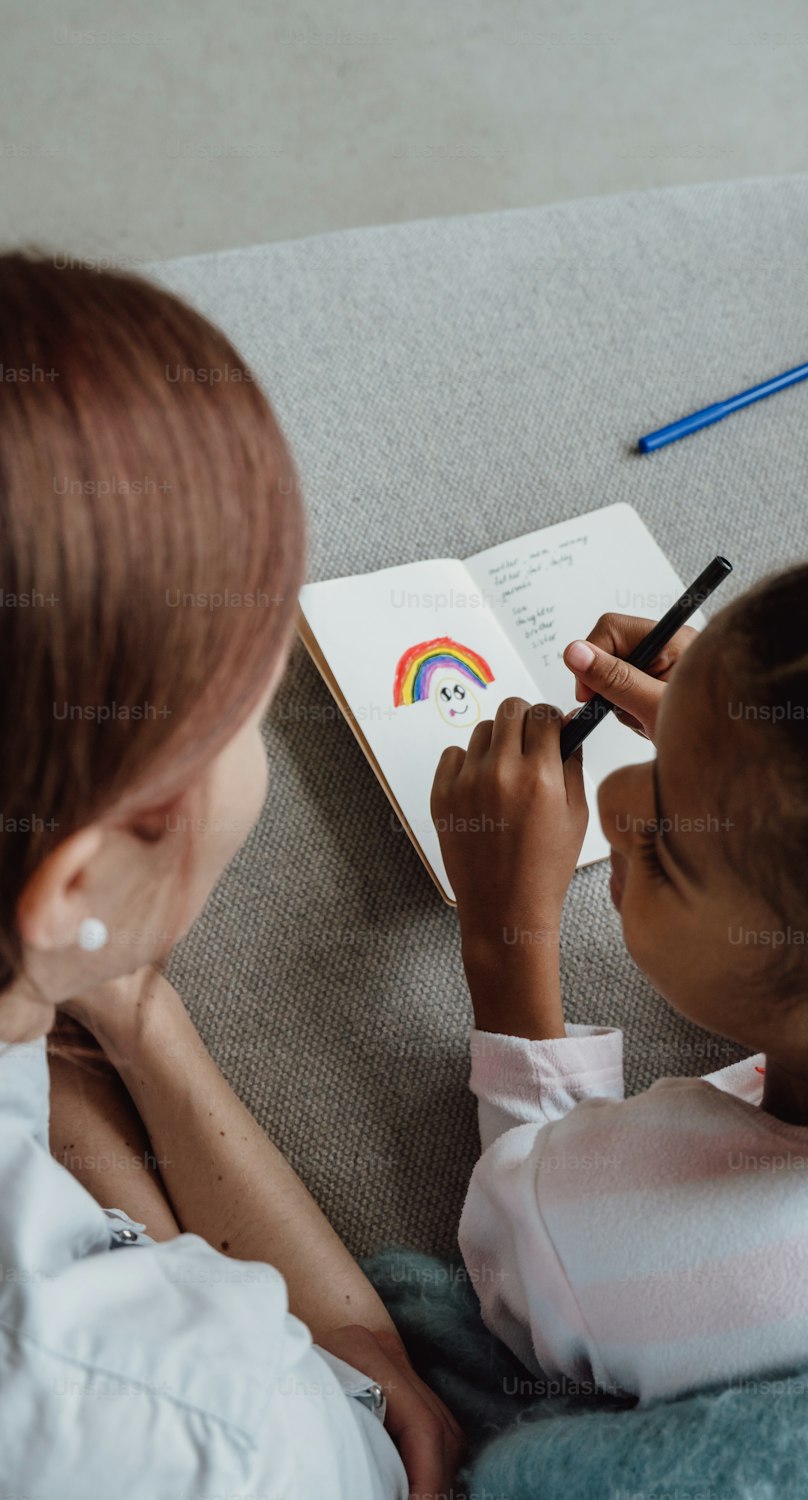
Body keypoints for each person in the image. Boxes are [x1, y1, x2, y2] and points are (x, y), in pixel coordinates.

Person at [0, 251, 463, 1498]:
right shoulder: (217, 1432)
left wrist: (105, 1003)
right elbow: (369, 1417)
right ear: (79, 876)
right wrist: (359, 1364)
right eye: (249, 721)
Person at [432, 548, 808, 1401]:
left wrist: (504, 937)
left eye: (667, 847)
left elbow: (515, 1267)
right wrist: (744, 742)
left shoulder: (660, 1249)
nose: (619, 799)